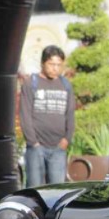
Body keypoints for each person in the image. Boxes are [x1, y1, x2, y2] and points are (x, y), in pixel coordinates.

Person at [20, 45, 75, 187]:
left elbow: (70, 113)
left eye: (59, 65)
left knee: (57, 191)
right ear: (42, 63)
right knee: (35, 190)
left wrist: (66, 139)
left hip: (58, 147)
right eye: (51, 64)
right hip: (36, 147)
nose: (55, 68)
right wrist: (33, 142)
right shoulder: (31, 83)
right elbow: (25, 115)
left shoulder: (65, 85)